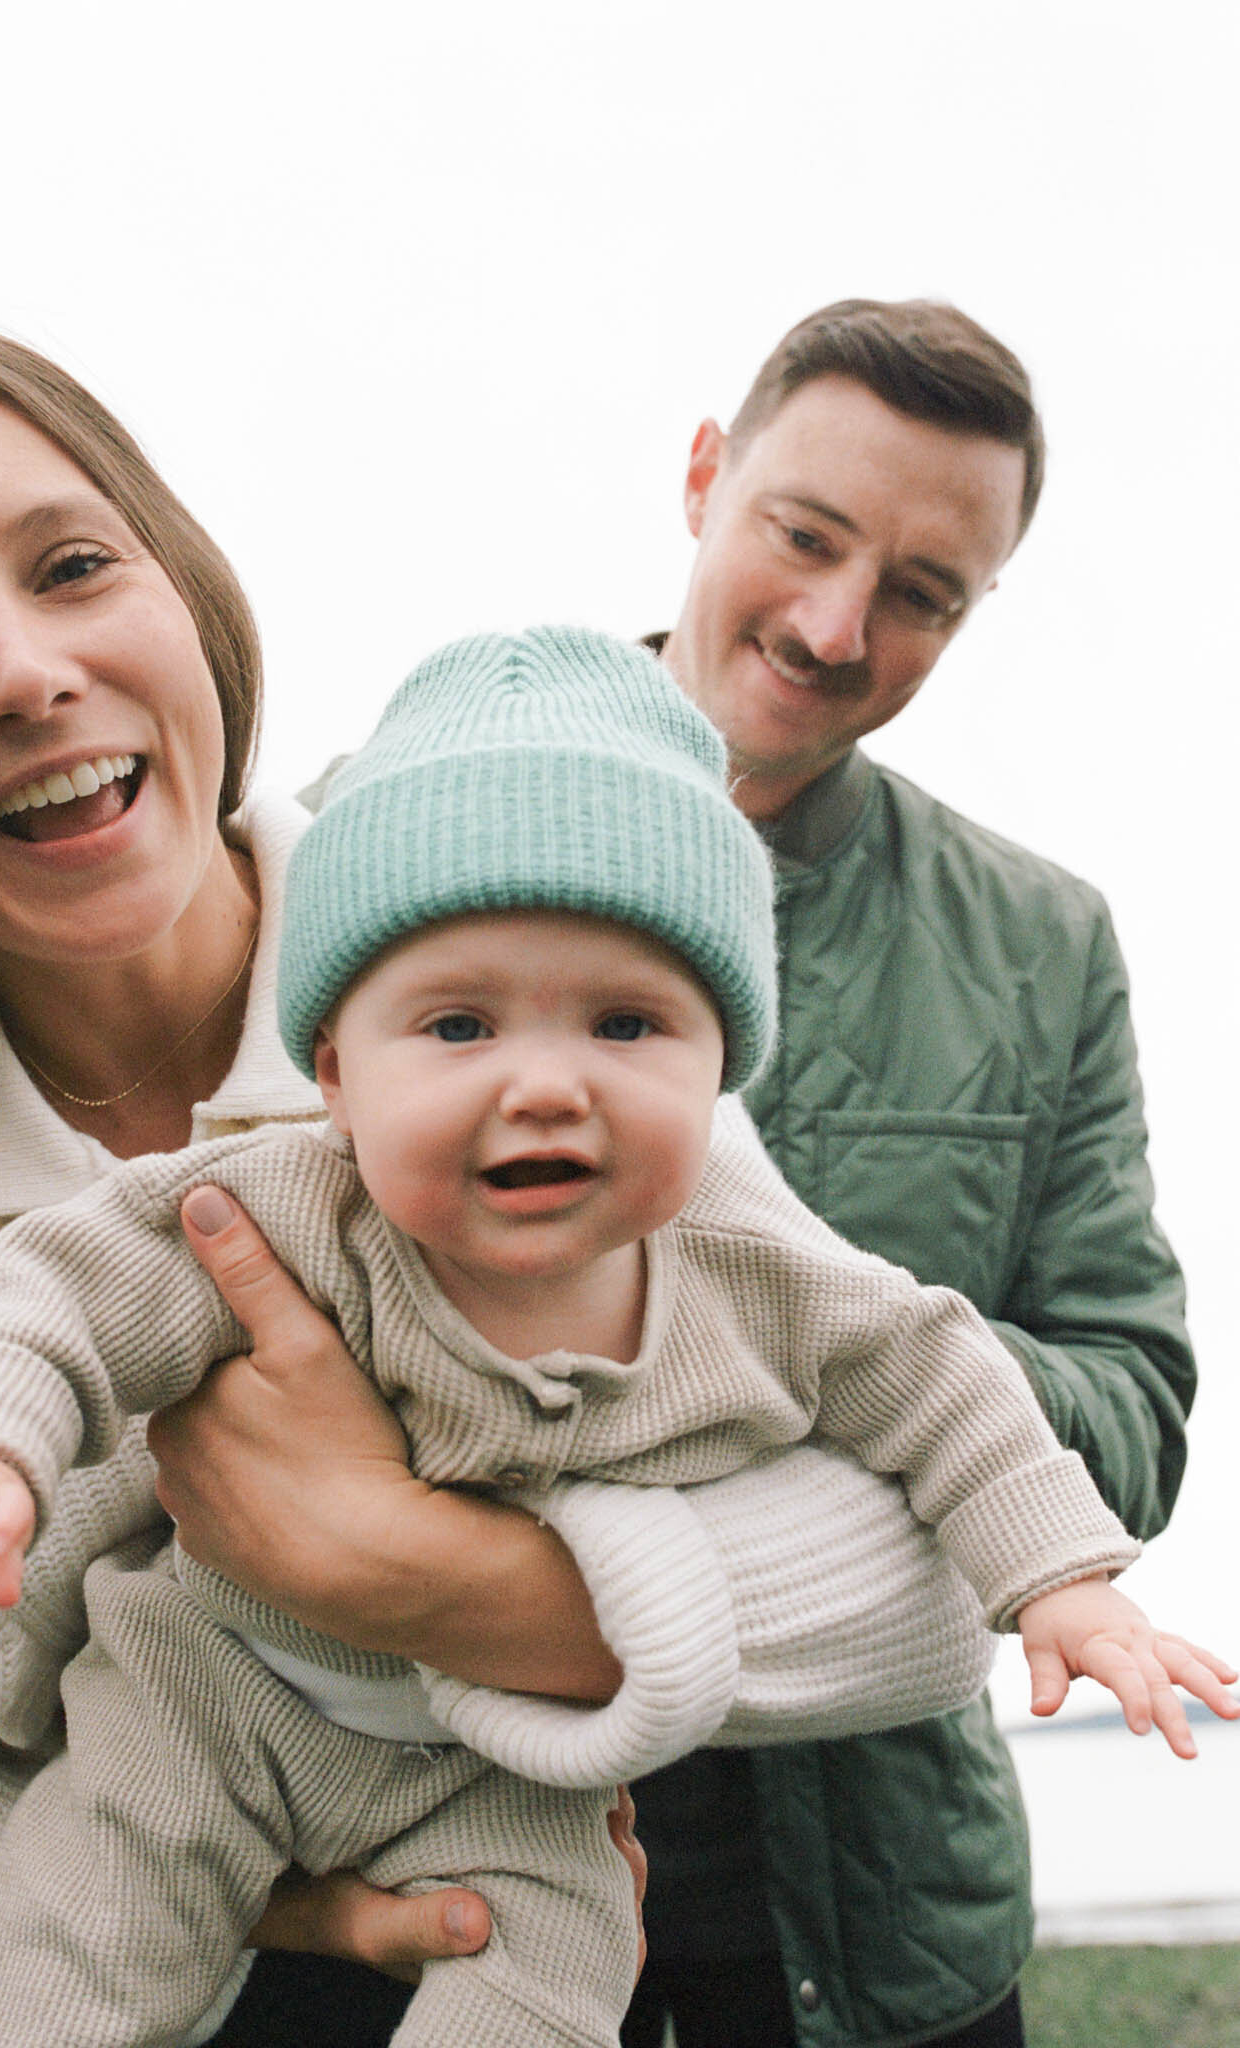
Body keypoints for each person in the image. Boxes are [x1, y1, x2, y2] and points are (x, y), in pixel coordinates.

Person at [0, 324, 1010, 2048]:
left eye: (73, 564)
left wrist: (421, 1575)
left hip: (497, 1828)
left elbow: (930, 1578)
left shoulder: (544, 1004)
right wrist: (215, 1900)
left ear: (183, 586)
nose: (25, 671)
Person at [616, 298, 1201, 2047]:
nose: (831, 624)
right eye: (803, 536)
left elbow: (1135, 1410)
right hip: (459, 1901)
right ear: (705, 475)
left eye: (921, 592)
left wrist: (846, 1358)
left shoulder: (1041, 944)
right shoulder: (375, 835)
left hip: (893, 1940)